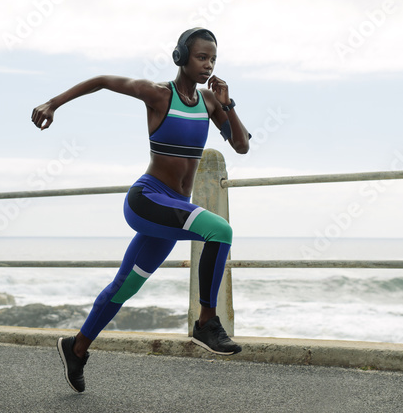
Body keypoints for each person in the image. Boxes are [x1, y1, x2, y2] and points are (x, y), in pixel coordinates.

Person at [31, 27, 251, 393]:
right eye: (201, 57)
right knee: (219, 230)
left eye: (213, 59)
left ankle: (77, 348)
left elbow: (241, 146)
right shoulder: (158, 95)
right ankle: (206, 323)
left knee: (125, 285)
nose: (208, 65)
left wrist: (227, 104)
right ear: (180, 56)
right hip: (147, 200)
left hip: (173, 210)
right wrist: (52, 103)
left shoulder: (211, 104)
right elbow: (102, 80)